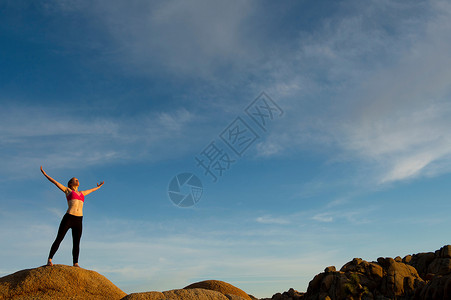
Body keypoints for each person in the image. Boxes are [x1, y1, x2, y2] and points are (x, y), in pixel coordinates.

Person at [40, 166, 104, 267]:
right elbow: (55, 182)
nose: (77, 180)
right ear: (70, 183)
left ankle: (75, 263)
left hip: (79, 220)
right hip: (69, 218)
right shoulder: (68, 191)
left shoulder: (82, 193)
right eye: (75, 180)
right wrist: (45, 174)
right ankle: (49, 259)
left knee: (76, 242)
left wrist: (99, 187)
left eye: (78, 180)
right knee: (59, 238)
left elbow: (91, 190)